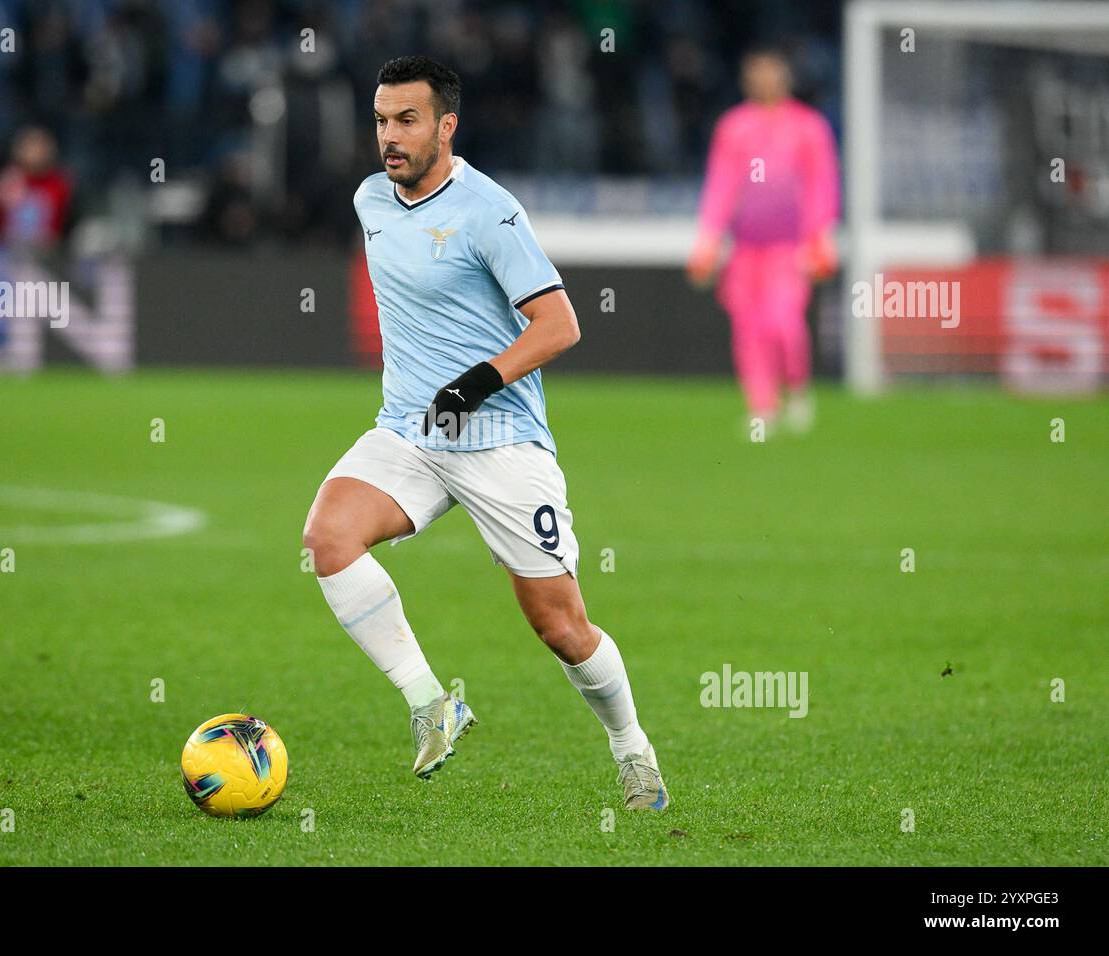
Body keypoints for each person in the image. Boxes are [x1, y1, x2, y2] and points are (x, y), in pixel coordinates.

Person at [302, 56, 666, 810]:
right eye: (380, 121)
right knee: (328, 538)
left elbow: (560, 324)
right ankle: (432, 702)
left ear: (446, 126)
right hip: (410, 430)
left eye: (407, 121)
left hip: (499, 437)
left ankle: (632, 749)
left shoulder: (489, 212)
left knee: (561, 627)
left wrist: (477, 381)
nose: (390, 138)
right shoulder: (372, 200)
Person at [689, 47, 840, 434]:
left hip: (788, 247)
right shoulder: (734, 127)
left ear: (785, 78)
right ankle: (763, 408)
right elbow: (721, 187)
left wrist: (820, 237)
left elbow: (821, 186)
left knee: (782, 321)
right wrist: (708, 240)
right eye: (756, 74)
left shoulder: (808, 127)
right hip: (745, 249)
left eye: (770, 73)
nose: (763, 81)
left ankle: (798, 390)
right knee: (748, 330)